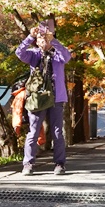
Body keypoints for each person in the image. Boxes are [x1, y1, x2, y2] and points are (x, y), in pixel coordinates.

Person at [16, 16, 72, 176]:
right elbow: (19, 53)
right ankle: (28, 164)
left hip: (56, 98)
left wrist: (53, 41)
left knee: (57, 132)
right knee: (33, 132)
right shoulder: (33, 55)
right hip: (37, 98)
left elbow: (67, 57)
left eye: (45, 38)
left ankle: (60, 164)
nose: (43, 40)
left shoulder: (57, 55)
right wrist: (30, 37)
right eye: (40, 38)